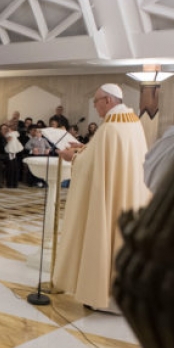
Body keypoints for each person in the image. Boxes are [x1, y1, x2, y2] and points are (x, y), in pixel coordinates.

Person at [52, 84, 150, 312]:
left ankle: (103, 296)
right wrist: (84, 147)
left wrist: (71, 157)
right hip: (129, 195)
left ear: (107, 100)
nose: (95, 106)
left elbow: (95, 164)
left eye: (96, 101)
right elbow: (108, 155)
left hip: (111, 197)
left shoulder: (110, 128)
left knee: (105, 238)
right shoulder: (132, 122)